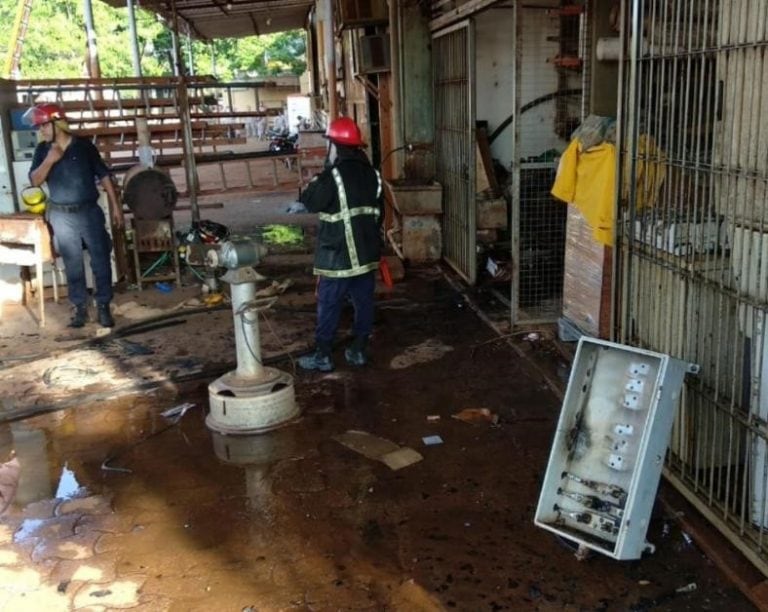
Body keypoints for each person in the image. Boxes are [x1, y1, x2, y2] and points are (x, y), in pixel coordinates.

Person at [25, 103, 124, 328]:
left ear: (57, 123)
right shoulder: (43, 150)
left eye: (44, 126)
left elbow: (104, 175)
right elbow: (35, 181)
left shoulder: (84, 147)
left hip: (89, 211)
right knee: (73, 264)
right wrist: (50, 160)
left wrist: (116, 207)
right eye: (40, 127)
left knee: (100, 260)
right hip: (61, 215)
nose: (41, 131)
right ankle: (80, 308)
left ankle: (103, 306)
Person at [297, 117, 383, 372]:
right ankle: (357, 350)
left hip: (338, 256)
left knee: (329, 303)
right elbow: (380, 214)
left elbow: (311, 201)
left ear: (335, 146)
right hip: (366, 254)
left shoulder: (332, 176)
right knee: (364, 302)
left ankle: (323, 355)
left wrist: (320, 175)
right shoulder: (373, 174)